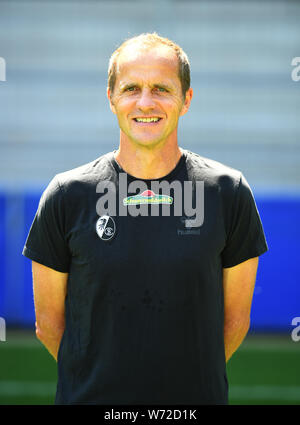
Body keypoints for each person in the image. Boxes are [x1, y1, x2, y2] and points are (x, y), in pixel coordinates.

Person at [22, 32, 268, 405]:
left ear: (186, 100)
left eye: (162, 89)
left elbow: (234, 322)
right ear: (111, 99)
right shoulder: (66, 195)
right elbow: (49, 325)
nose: (145, 102)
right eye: (131, 88)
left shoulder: (229, 192)